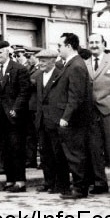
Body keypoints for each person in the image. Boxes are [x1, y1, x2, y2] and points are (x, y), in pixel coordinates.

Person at [0, 40, 30, 193]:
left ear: (7, 52)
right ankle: (10, 179)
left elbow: (24, 92)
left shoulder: (19, 69)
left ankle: (20, 181)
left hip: (15, 117)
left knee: (16, 148)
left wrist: (15, 109)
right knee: (4, 149)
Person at [56, 33, 93, 199]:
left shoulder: (76, 65)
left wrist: (66, 117)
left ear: (69, 46)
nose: (58, 49)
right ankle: (79, 186)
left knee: (75, 154)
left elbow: (76, 95)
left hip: (75, 120)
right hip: (74, 118)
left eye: (60, 45)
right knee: (74, 153)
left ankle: (79, 188)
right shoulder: (73, 64)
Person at [86, 33, 110, 195]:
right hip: (91, 113)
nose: (94, 45)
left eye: (97, 42)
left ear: (103, 44)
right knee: (95, 148)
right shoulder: (85, 64)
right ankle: (100, 183)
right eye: (91, 42)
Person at [34, 49, 69, 195]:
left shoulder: (60, 74)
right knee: (45, 153)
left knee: (58, 153)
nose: (40, 63)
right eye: (39, 60)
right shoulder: (39, 76)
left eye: (44, 60)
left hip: (55, 119)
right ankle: (49, 182)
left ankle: (61, 184)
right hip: (42, 120)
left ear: (53, 61)